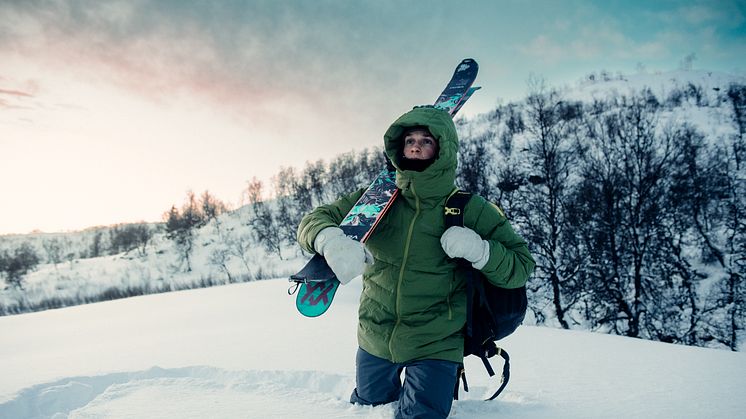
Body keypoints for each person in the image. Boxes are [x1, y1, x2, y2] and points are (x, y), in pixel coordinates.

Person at [297, 105, 535, 418]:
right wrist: (330, 240)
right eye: (410, 139)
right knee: (369, 410)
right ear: (398, 147)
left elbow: (521, 266)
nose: (416, 145)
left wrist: (482, 251)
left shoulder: (469, 208)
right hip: (375, 335)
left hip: (437, 340)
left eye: (426, 140)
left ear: (443, 150)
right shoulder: (375, 200)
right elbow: (313, 221)